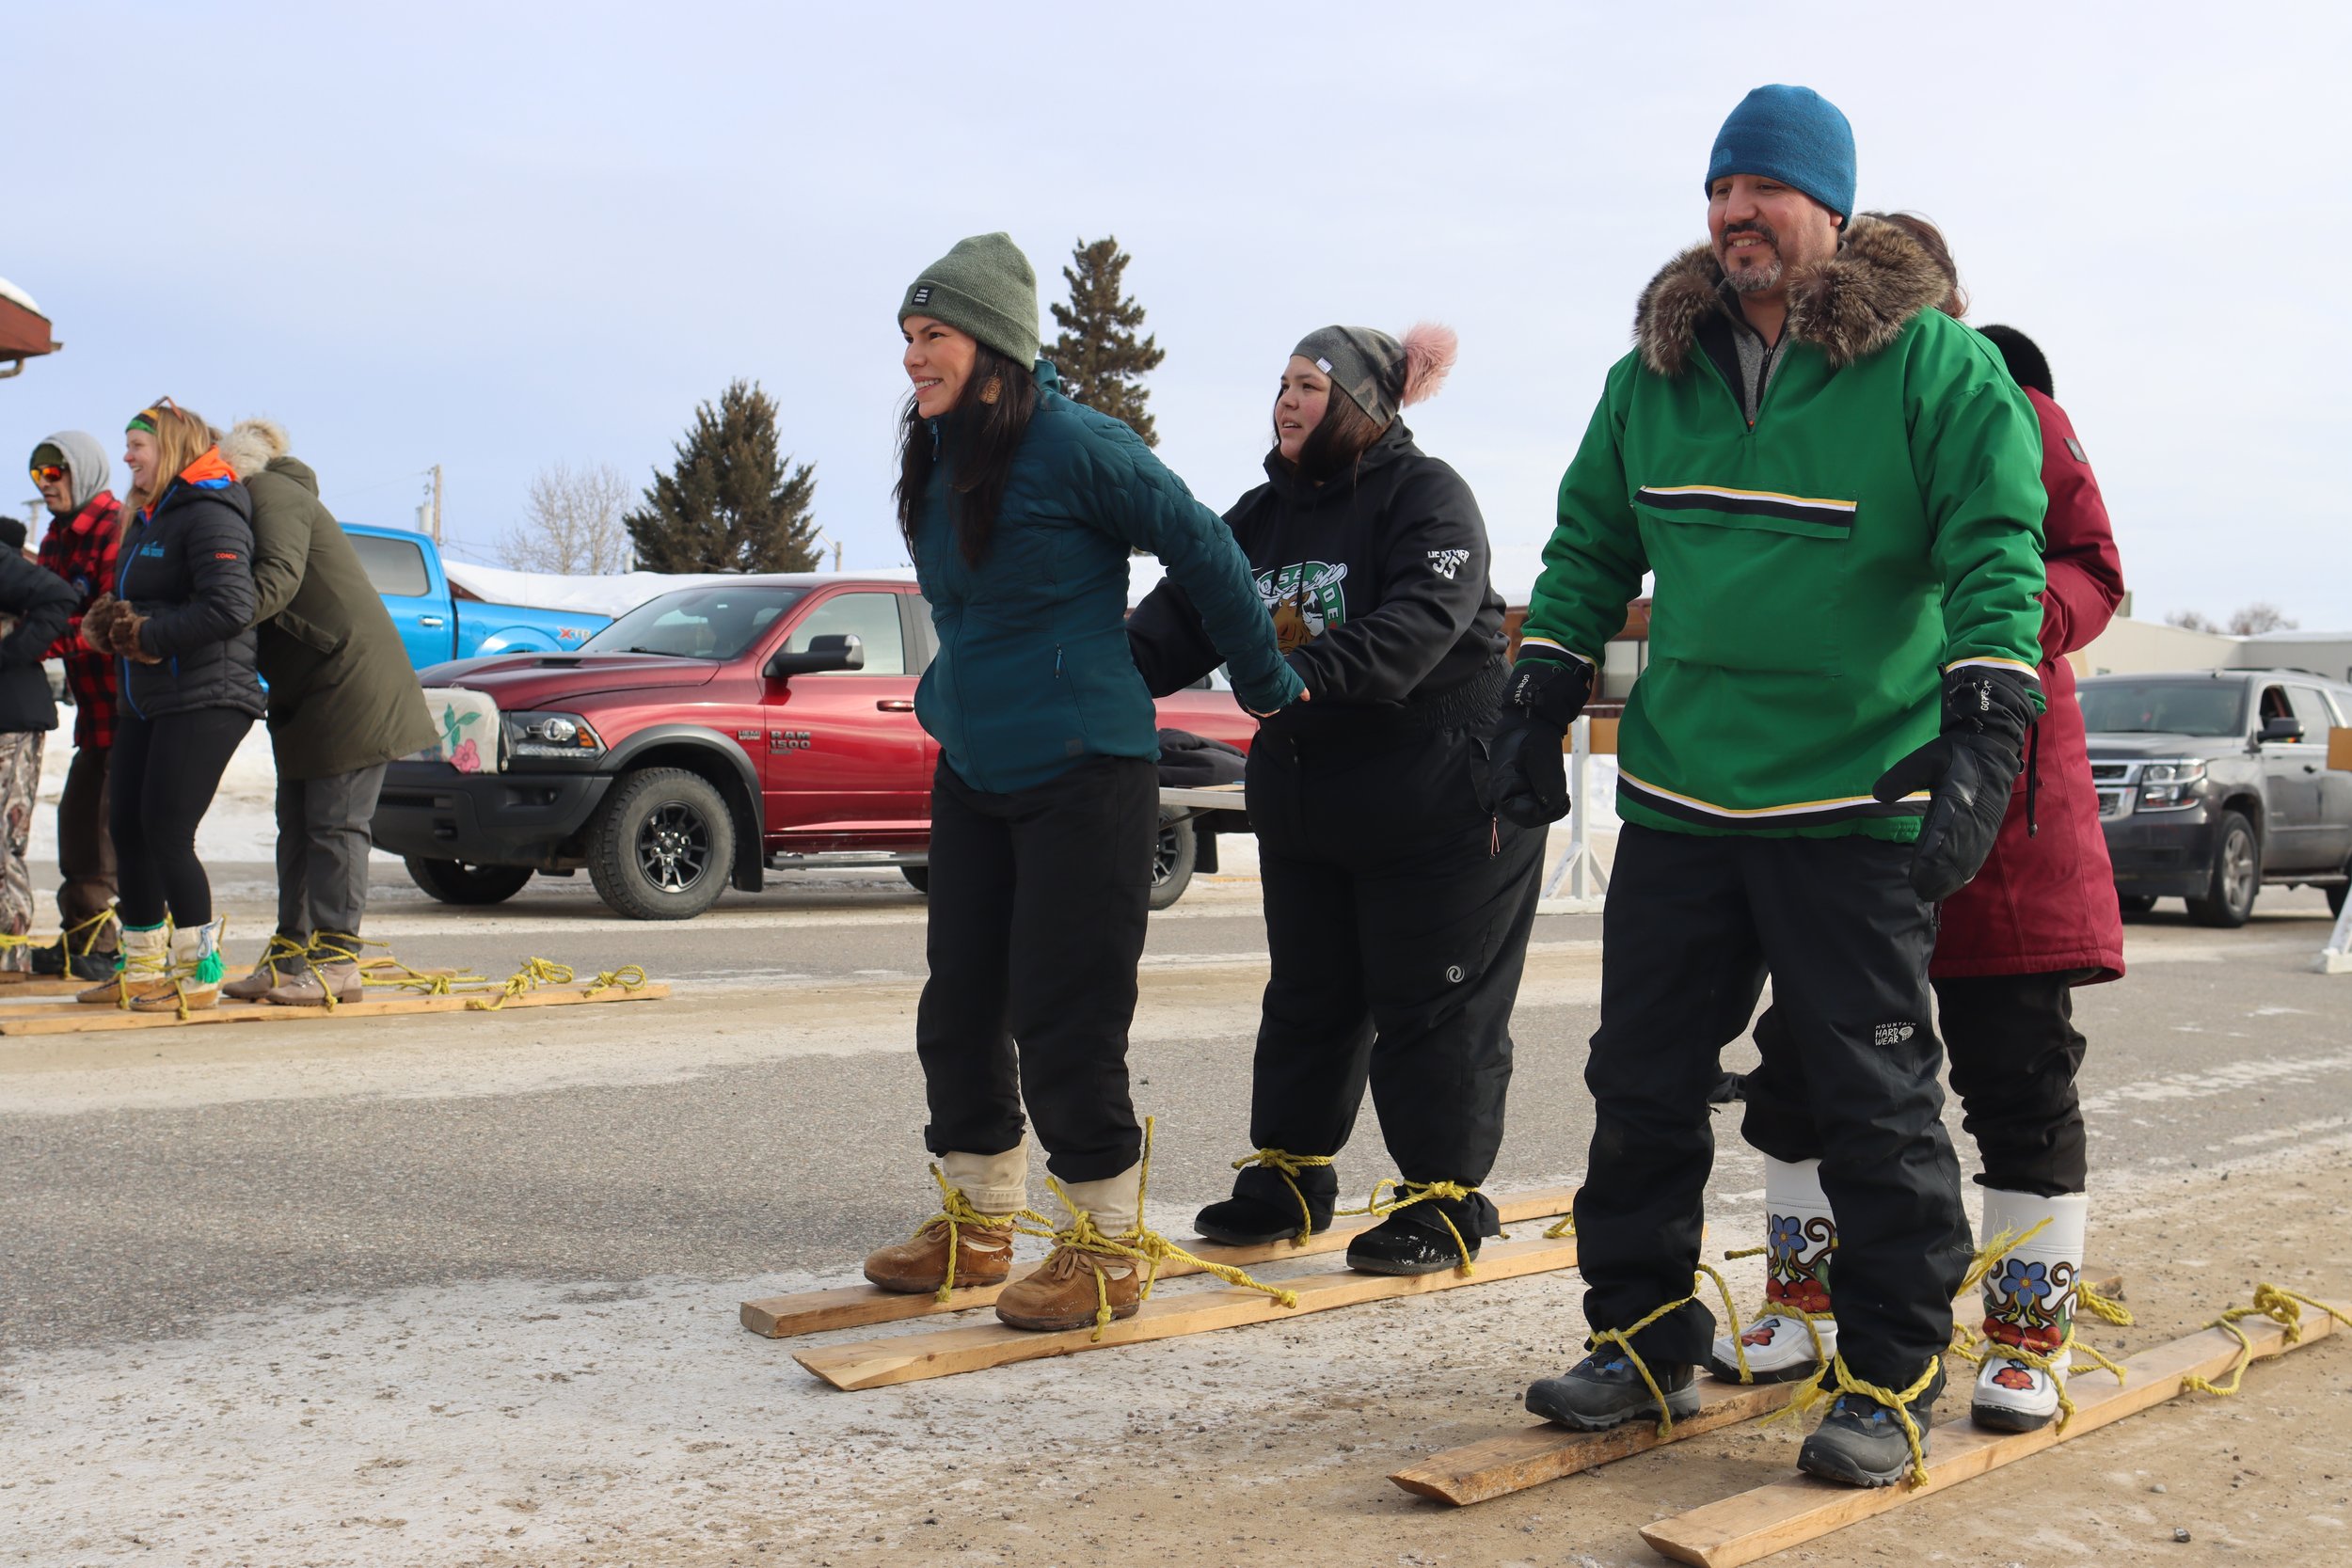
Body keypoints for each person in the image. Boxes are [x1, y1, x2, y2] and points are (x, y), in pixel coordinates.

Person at [1494, 87, 2049, 1488]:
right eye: (1718, 188)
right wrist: (1538, 694)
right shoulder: (1651, 379)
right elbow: (1584, 547)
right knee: (1642, 1078)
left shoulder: (1935, 372)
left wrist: (1984, 735)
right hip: (1684, 792)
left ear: (1832, 210)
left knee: (1871, 1093)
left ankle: (1887, 1370)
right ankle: (1638, 1335)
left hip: (1852, 798)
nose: (1735, 213)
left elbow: (1998, 557)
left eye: (1765, 190)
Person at [1713, 215, 2127, 1435]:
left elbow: (2095, 567)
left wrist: (1989, 630)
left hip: (2000, 796)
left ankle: (2024, 1332)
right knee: (1802, 1060)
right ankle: (1802, 1299)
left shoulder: (2015, 408)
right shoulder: (1810, 413)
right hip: (1841, 791)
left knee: (2018, 1070)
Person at [859, 232, 1303, 1333]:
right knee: (958, 1002)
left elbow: (1201, 543)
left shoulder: (1075, 444)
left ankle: (1104, 1241)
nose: (915, 358)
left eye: (936, 336)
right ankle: (978, 1219)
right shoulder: (937, 449)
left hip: (1084, 768)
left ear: (995, 344)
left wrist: (1265, 679)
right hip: (976, 763)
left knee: (1064, 1012)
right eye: (909, 338)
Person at [1126, 323, 1544, 1275]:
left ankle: (1442, 1198)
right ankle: (1290, 1173)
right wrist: (1090, 675)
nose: (1286, 399)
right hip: (1315, 795)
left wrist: (1294, 671)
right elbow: (1174, 622)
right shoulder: (1258, 517)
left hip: (1445, 791)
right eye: (1280, 381)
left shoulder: (1427, 499)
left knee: (1431, 1002)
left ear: (1362, 402)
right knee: (1310, 992)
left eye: (1309, 383)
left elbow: (1417, 626)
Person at [215, 420, 436, 1006]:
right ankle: (291, 956)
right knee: (299, 829)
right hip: (309, 689)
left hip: (350, 686)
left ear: (232, 467)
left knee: (336, 827)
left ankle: (338, 962)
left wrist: (213, 617)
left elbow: (278, 579)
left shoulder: (273, 495)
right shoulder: (260, 498)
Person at [75, 400, 263, 1013]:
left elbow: (233, 604)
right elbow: (146, 596)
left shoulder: (210, 511)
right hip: (151, 697)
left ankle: (199, 967)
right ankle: (143, 965)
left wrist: (148, 635)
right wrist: (111, 620)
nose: (126, 456)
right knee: (126, 826)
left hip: (207, 694)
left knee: (165, 830)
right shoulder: (151, 517)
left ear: (173, 449)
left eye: (138, 446)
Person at [27, 433, 123, 979]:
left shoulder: (114, 528)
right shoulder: (55, 539)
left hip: (127, 706)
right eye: (38, 475)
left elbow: (105, 623)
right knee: (80, 823)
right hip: (93, 710)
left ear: (82, 471)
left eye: (54, 473)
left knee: (113, 827)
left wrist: (30, 641)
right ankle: (84, 939)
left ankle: (121, 946)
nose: (46, 485)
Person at [0, 515, 78, 970]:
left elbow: (59, 596)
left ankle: (10, 956)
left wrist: (10, 654)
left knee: (3, 838)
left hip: (10, 719)